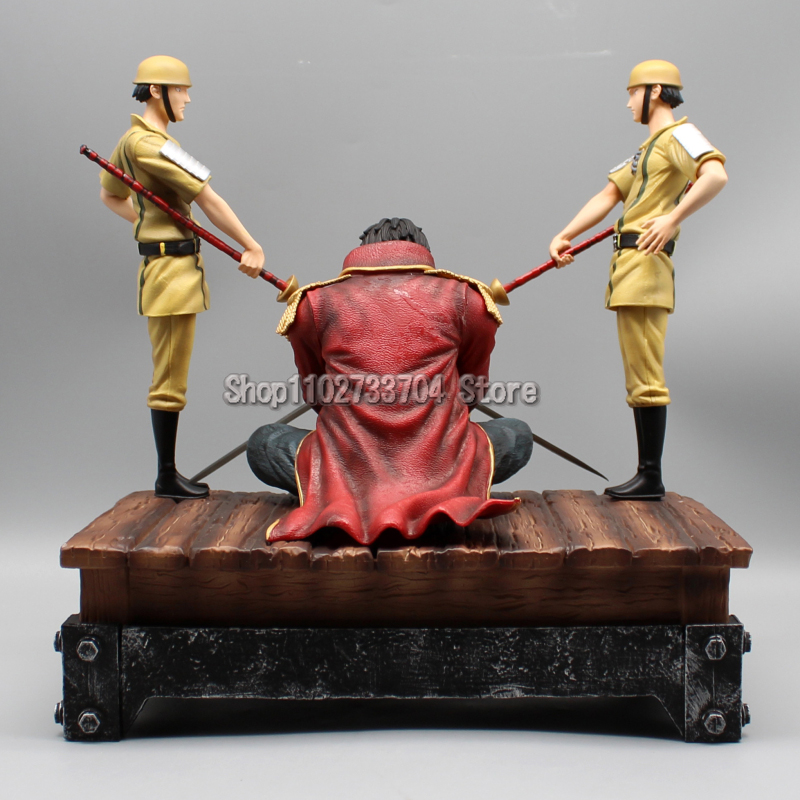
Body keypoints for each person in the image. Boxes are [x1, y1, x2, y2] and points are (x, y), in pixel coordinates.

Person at [248, 218, 533, 544]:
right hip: (444, 465)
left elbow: (316, 394)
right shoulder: (468, 299)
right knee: (516, 435)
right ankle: (441, 499)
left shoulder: (313, 302)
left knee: (264, 443)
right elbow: (472, 390)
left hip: (345, 467)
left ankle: (347, 498)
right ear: (423, 251)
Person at [548, 60, 728, 499]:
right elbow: (609, 194)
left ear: (655, 91)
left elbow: (715, 174)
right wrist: (565, 233)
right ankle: (648, 473)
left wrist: (672, 218)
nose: (629, 102)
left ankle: (651, 476)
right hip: (629, 266)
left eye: (633, 92)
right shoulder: (647, 150)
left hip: (646, 266)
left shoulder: (681, 135)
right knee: (637, 371)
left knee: (646, 373)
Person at [99, 56, 265, 499]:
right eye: (180, 90)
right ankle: (166, 476)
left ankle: (168, 473)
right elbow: (208, 199)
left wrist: (150, 221)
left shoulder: (133, 140)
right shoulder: (150, 146)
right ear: (156, 91)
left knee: (172, 372)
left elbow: (109, 195)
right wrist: (251, 245)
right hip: (170, 276)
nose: (187, 98)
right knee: (170, 377)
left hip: (173, 269)